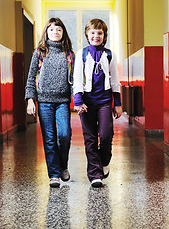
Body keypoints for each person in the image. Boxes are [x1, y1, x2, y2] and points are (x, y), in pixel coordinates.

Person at [25, 17, 75, 188]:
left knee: (64, 135)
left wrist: (78, 99)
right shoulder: (39, 52)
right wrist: (30, 99)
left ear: (63, 33)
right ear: (46, 32)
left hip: (63, 101)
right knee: (50, 139)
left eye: (59, 29)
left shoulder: (69, 54)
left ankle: (63, 165)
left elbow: (74, 80)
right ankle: (54, 174)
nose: (55, 32)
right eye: (52, 29)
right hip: (44, 101)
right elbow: (31, 77)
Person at [73, 18, 122, 188]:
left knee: (106, 134)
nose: (96, 36)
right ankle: (95, 174)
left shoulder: (109, 55)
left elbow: (115, 80)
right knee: (90, 138)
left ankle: (104, 161)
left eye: (99, 33)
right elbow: (77, 78)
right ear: (87, 35)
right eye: (93, 32)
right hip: (87, 101)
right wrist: (78, 101)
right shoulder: (82, 54)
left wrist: (118, 103)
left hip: (105, 101)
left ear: (104, 35)